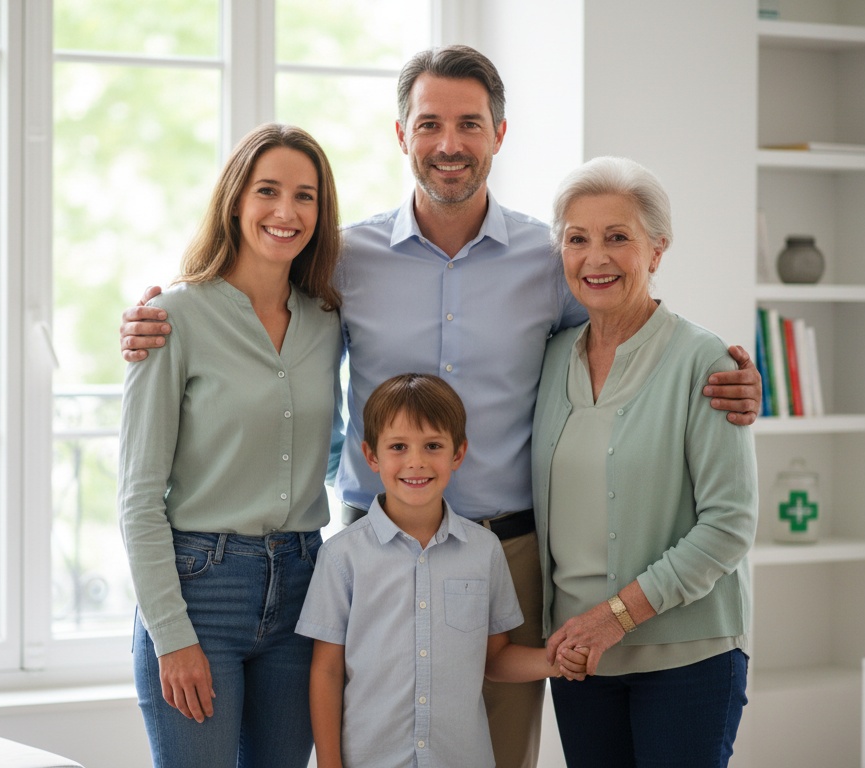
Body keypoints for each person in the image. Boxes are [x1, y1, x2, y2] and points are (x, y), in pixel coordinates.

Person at [119, 46, 762, 768]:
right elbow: (255, 318)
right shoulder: (343, 258)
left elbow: (625, 315)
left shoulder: (546, 260)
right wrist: (157, 310)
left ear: (499, 133)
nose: (449, 144)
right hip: (373, 548)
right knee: (370, 744)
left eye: (468, 124)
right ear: (402, 135)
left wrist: (730, 372)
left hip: (509, 553)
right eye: (429, 124)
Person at [118, 123, 344, 768]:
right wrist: (170, 634)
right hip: (200, 591)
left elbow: (318, 450)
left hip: (304, 587)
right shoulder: (174, 318)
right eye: (267, 191)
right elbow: (137, 495)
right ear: (235, 201)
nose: (285, 211)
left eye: (305, 196)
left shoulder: (327, 322)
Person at [533, 156, 759, 767]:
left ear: (656, 251)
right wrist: (588, 631)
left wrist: (615, 617)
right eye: (577, 239)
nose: (594, 257)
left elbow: (729, 525)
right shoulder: (551, 357)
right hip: (580, 657)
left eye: (617, 238)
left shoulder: (704, 360)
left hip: (686, 658)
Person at [297, 373, 586, 768]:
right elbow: (326, 671)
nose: (416, 461)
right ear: (371, 456)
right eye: (398, 446)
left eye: (433, 446)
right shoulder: (341, 556)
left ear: (458, 453)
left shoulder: (483, 551)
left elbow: (495, 660)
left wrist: (556, 662)